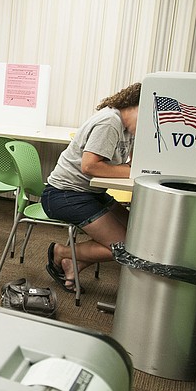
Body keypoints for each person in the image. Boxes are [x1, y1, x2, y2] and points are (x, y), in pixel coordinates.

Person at [41, 82, 141, 292]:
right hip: (65, 195)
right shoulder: (110, 122)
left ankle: (73, 262)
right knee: (125, 246)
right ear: (135, 105)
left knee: (138, 233)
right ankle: (61, 253)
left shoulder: (126, 127)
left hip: (90, 193)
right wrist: (134, 170)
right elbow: (90, 166)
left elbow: (133, 162)